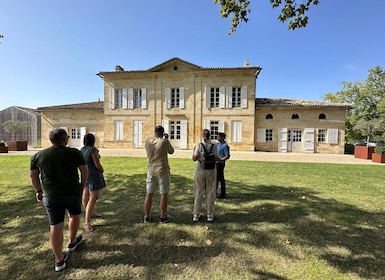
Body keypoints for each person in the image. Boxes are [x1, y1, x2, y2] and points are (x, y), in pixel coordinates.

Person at [30, 128, 88, 272]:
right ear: (64, 139)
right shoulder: (74, 153)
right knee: (74, 215)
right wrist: (83, 185)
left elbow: (33, 176)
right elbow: (84, 170)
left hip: (51, 196)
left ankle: (59, 260)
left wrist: (38, 190)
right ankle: (72, 241)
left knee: (55, 225)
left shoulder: (38, 155)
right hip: (72, 193)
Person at [144, 125, 174, 224]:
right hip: (162, 170)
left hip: (151, 170)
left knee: (149, 193)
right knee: (163, 194)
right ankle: (162, 216)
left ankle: (147, 216)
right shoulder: (164, 141)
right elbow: (171, 151)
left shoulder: (147, 141)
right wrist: (165, 139)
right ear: (162, 132)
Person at [81, 133, 106, 232]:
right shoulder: (93, 150)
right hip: (93, 174)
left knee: (85, 194)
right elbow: (97, 164)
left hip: (85, 173)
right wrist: (102, 169)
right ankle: (87, 222)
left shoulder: (82, 149)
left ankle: (89, 213)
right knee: (94, 196)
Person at [192, 129, 218, 222]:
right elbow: (216, 158)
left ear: (202, 136)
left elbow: (194, 158)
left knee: (199, 191)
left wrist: (194, 152)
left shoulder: (199, 145)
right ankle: (209, 214)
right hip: (211, 170)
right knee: (210, 191)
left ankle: (196, 214)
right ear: (210, 136)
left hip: (200, 170)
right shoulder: (214, 146)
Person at [216, 132, 230, 199]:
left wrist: (220, 159)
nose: (217, 137)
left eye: (218, 136)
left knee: (221, 179)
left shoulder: (225, 146)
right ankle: (214, 192)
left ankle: (222, 194)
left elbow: (227, 156)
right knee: (216, 178)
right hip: (216, 163)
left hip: (220, 164)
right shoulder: (217, 144)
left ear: (222, 138)